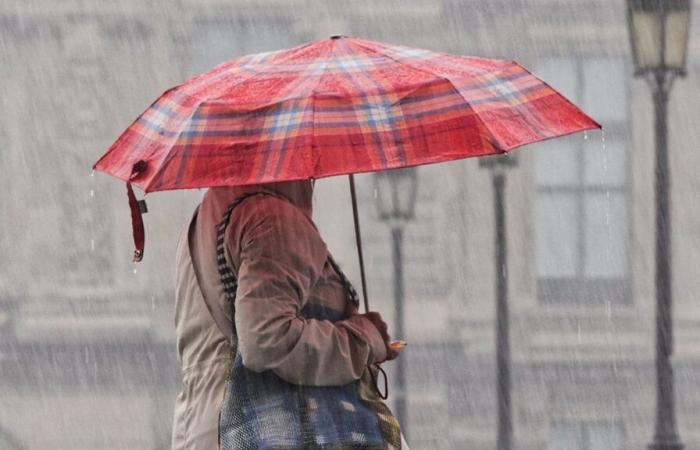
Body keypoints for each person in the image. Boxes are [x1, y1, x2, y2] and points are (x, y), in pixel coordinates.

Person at [170, 179, 408, 449]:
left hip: (207, 427)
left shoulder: (205, 219)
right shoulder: (273, 220)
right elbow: (265, 340)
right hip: (278, 432)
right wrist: (363, 340)